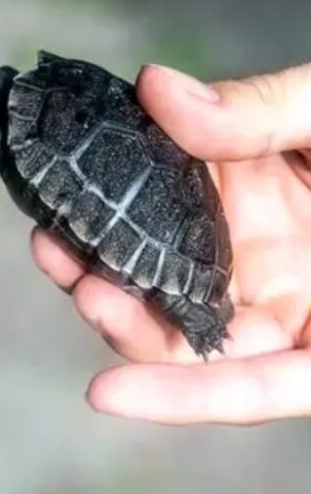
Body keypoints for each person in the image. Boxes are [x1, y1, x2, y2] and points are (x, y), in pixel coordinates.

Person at [31, 60, 311, 427]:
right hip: (180, 227)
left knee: (174, 298)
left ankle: (200, 316)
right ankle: (198, 310)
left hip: (161, 221)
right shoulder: (57, 81)